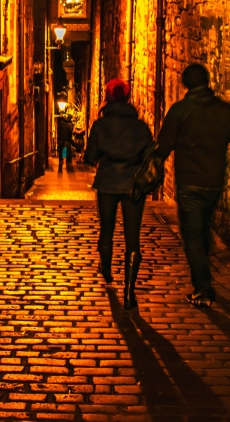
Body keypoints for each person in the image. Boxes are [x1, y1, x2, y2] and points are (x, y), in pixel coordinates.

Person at [154, 63, 230, 307]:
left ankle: (202, 288)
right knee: (202, 229)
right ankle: (203, 277)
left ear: (186, 84)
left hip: (189, 183)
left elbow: (163, 146)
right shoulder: (224, 111)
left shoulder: (180, 110)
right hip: (214, 183)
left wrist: (153, 167)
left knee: (192, 235)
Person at [83, 79, 154, 309]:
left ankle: (106, 270)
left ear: (109, 99)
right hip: (133, 186)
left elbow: (90, 156)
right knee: (133, 238)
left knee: (107, 228)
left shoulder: (100, 126)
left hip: (107, 184)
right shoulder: (141, 127)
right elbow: (149, 157)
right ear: (127, 98)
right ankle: (129, 292)